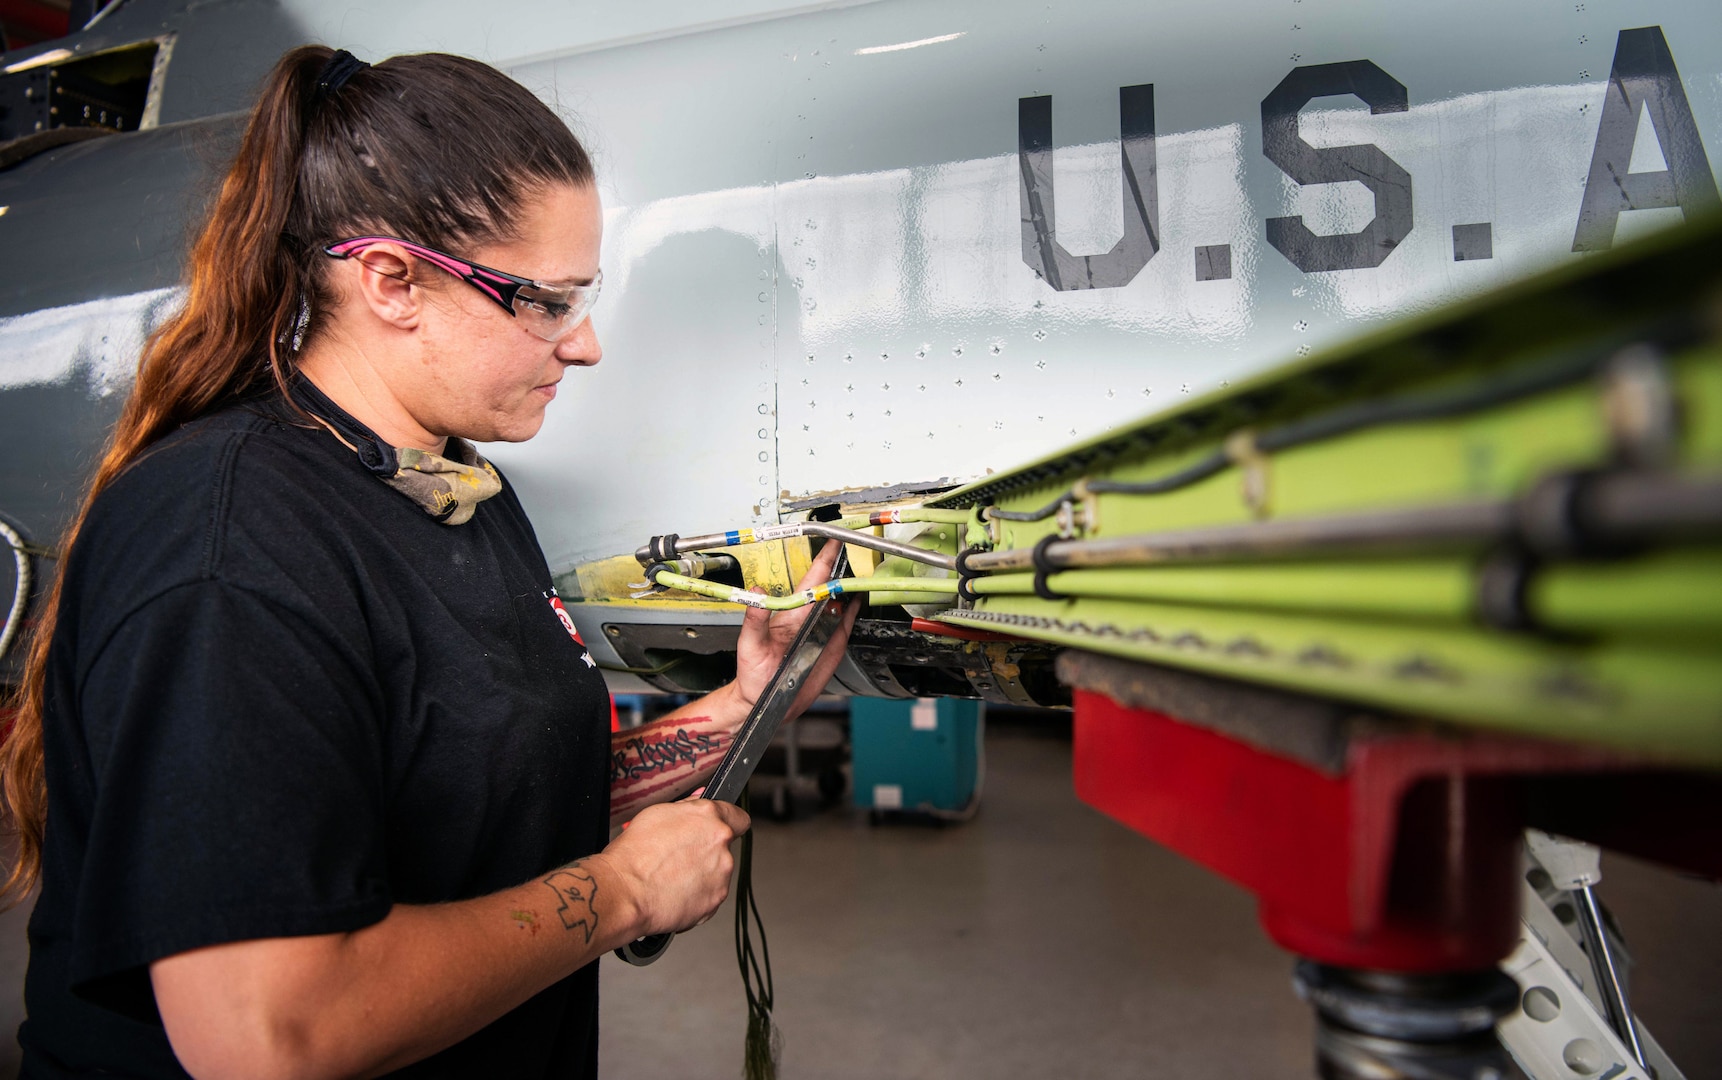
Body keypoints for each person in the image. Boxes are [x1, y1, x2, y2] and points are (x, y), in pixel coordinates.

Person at [0, 45, 856, 1078]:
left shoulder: (453, 490)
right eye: (545, 301)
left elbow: (487, 805)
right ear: (392, 281)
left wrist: (746, 704)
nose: (582, 345)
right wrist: (624, 894)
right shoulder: (231, 546)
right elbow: (270, 1034)